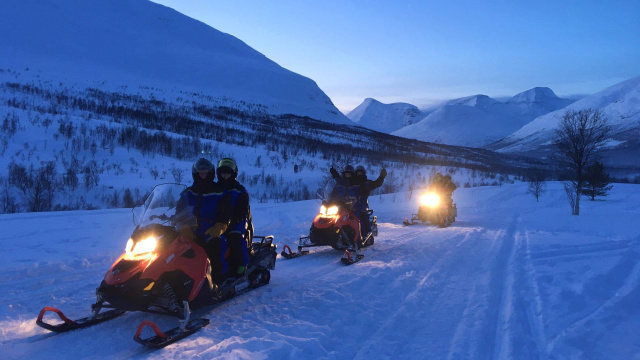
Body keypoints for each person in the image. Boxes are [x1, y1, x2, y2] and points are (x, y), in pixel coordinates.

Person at [178, 158, 230, 285]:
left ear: (210, 173)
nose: (203, 174)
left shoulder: (220, 191)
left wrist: (221, 225)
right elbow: (180, 210)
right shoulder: (188, 192)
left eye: (205, 172)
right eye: (200, 172)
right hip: (192, 230)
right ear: (196, 173)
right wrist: (183, 225)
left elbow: (226, 211)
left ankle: (217, 283)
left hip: (211, 230)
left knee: (214, 250)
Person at [216, 158, 252, 280]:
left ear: (233, 174)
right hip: (218, 221)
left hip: (237, 221)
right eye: (222, 173)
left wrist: (230, 222)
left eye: (228, 173)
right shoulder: (215, 188)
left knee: (234, 237)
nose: (225, 176)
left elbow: (243, 210)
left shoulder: (240, 190)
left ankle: (241, 265)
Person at [351, 165, 386, 236]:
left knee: (362, 214)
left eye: (360, 173)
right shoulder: (352, 182)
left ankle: (366, 232)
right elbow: (343, 184)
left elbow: (377, 183)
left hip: (363, 202)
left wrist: (382, 176)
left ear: (363, 173)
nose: (359, 174)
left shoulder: (367, 182)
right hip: (352, 203)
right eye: (358, 173)